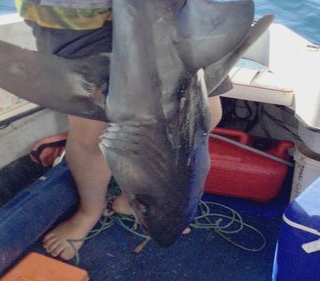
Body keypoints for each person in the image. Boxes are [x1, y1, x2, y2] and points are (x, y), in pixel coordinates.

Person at [16, 0, 224, 261]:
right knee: (92, 132)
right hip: (81, 14)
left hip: (176, 9)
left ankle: (138, 200)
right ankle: (90, 210)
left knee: (209, 113)